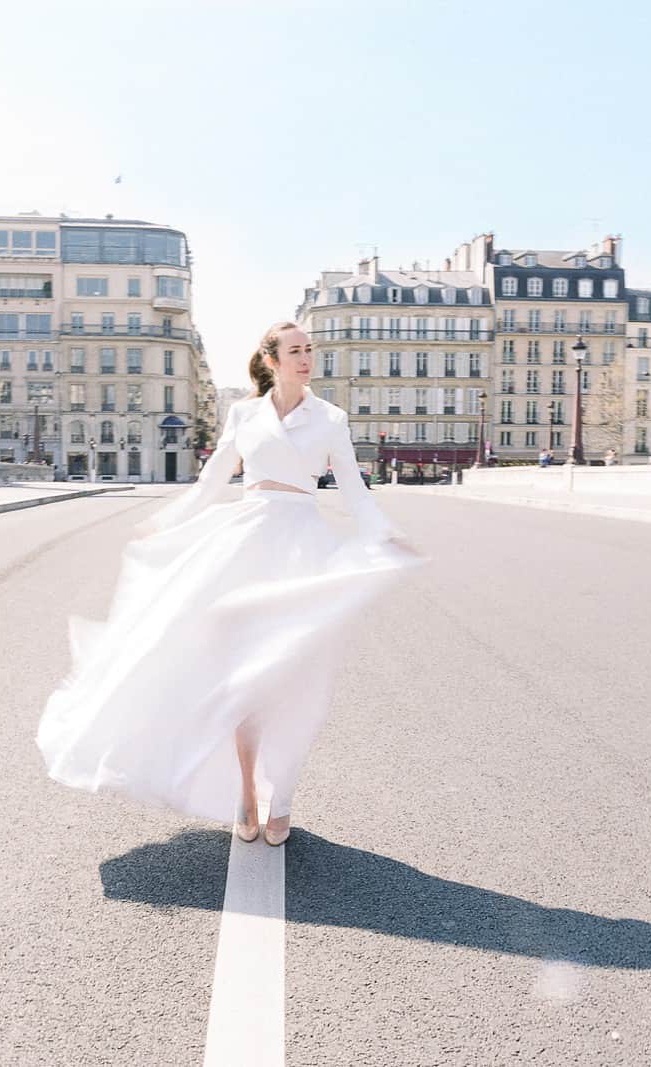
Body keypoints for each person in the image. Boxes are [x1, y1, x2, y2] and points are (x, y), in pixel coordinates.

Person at [37, 322, 425, 847]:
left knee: (292, 681)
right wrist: (166, 523)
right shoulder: (243, 414)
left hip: (301, 547)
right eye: (296, 351)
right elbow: (211, 482)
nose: (306, 358)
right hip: (244, 540)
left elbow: (355, 490)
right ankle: (245, 792)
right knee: (241, 677)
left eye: (310, 350)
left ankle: (281, 799)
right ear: (271, 360)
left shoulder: (331, 418)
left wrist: (386, 535)